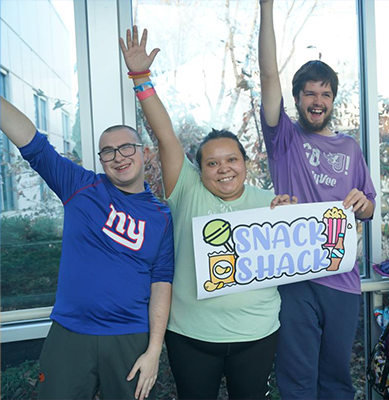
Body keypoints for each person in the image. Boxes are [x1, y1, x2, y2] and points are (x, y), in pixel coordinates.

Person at [119, 26, 296, 400]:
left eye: (232, 159)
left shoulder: (271, 202)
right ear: (198, 170)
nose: (224, 168)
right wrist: (141, 78)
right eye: (212, 163)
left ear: (246, 164)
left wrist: (292, 219)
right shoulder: (185, 190)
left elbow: (299, 250)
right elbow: (164, 134)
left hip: (257, 336)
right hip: (191, 337)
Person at [0, 97, 174, 399]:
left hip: (129, 337)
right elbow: (33, 143)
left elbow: (161, 282)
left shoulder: (161, 216)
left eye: (126, 148)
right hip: (70, 332)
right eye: (108, 151)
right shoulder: (80, 186)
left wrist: (154, 351)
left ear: (144, 153)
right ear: (101, 159)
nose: (118, 157)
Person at [258, 2, 377, 398]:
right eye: (309, 92)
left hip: (342, 282)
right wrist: (267, 9)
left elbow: (371, 207)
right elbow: (268, 74)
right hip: (295, 278)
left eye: (325, 93)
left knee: (336, 379)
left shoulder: (350, 147)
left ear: (333, 100)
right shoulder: (284, 139)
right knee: (297, 379)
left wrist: (363, 204)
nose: (317, 100)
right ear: (296, 97)